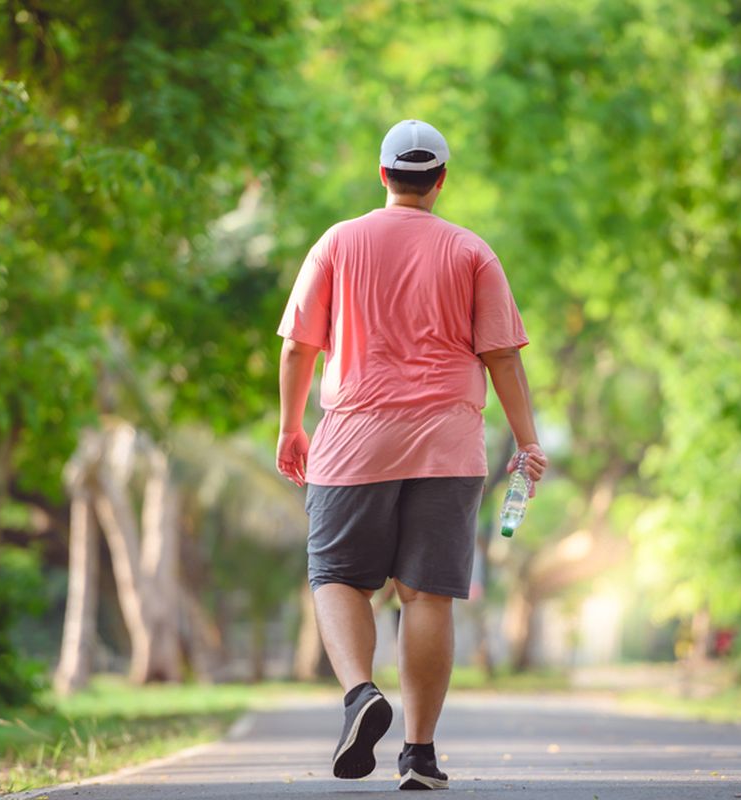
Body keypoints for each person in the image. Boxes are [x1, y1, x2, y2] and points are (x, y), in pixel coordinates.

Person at [275, 119, 547, 791]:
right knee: (428, 595)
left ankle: (360, 694)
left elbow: (296, 347)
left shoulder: (338, 241)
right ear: (441, 180)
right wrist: (528, 441)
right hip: (449, 444)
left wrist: (290, 427)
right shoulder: (470, 251)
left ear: (383, 173)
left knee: (337, 574)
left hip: (354, 438)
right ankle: (419, 756)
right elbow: (503, 358)